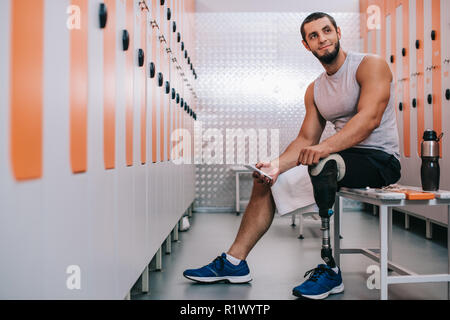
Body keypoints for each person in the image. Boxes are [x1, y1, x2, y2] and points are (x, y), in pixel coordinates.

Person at [183, 12, 401, 300]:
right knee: (266, 179)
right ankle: (235, 263)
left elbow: (370, 118)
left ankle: (330, 268)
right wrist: (274, 166)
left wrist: (324, 149)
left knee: (324, 165)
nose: (322, 39)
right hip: (341, 157)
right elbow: (306, 140)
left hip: (379, 159)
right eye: (314, 36)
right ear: (306, 45)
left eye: (326, 31)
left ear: (337, 32)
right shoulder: (316, 89)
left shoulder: (369, 65)